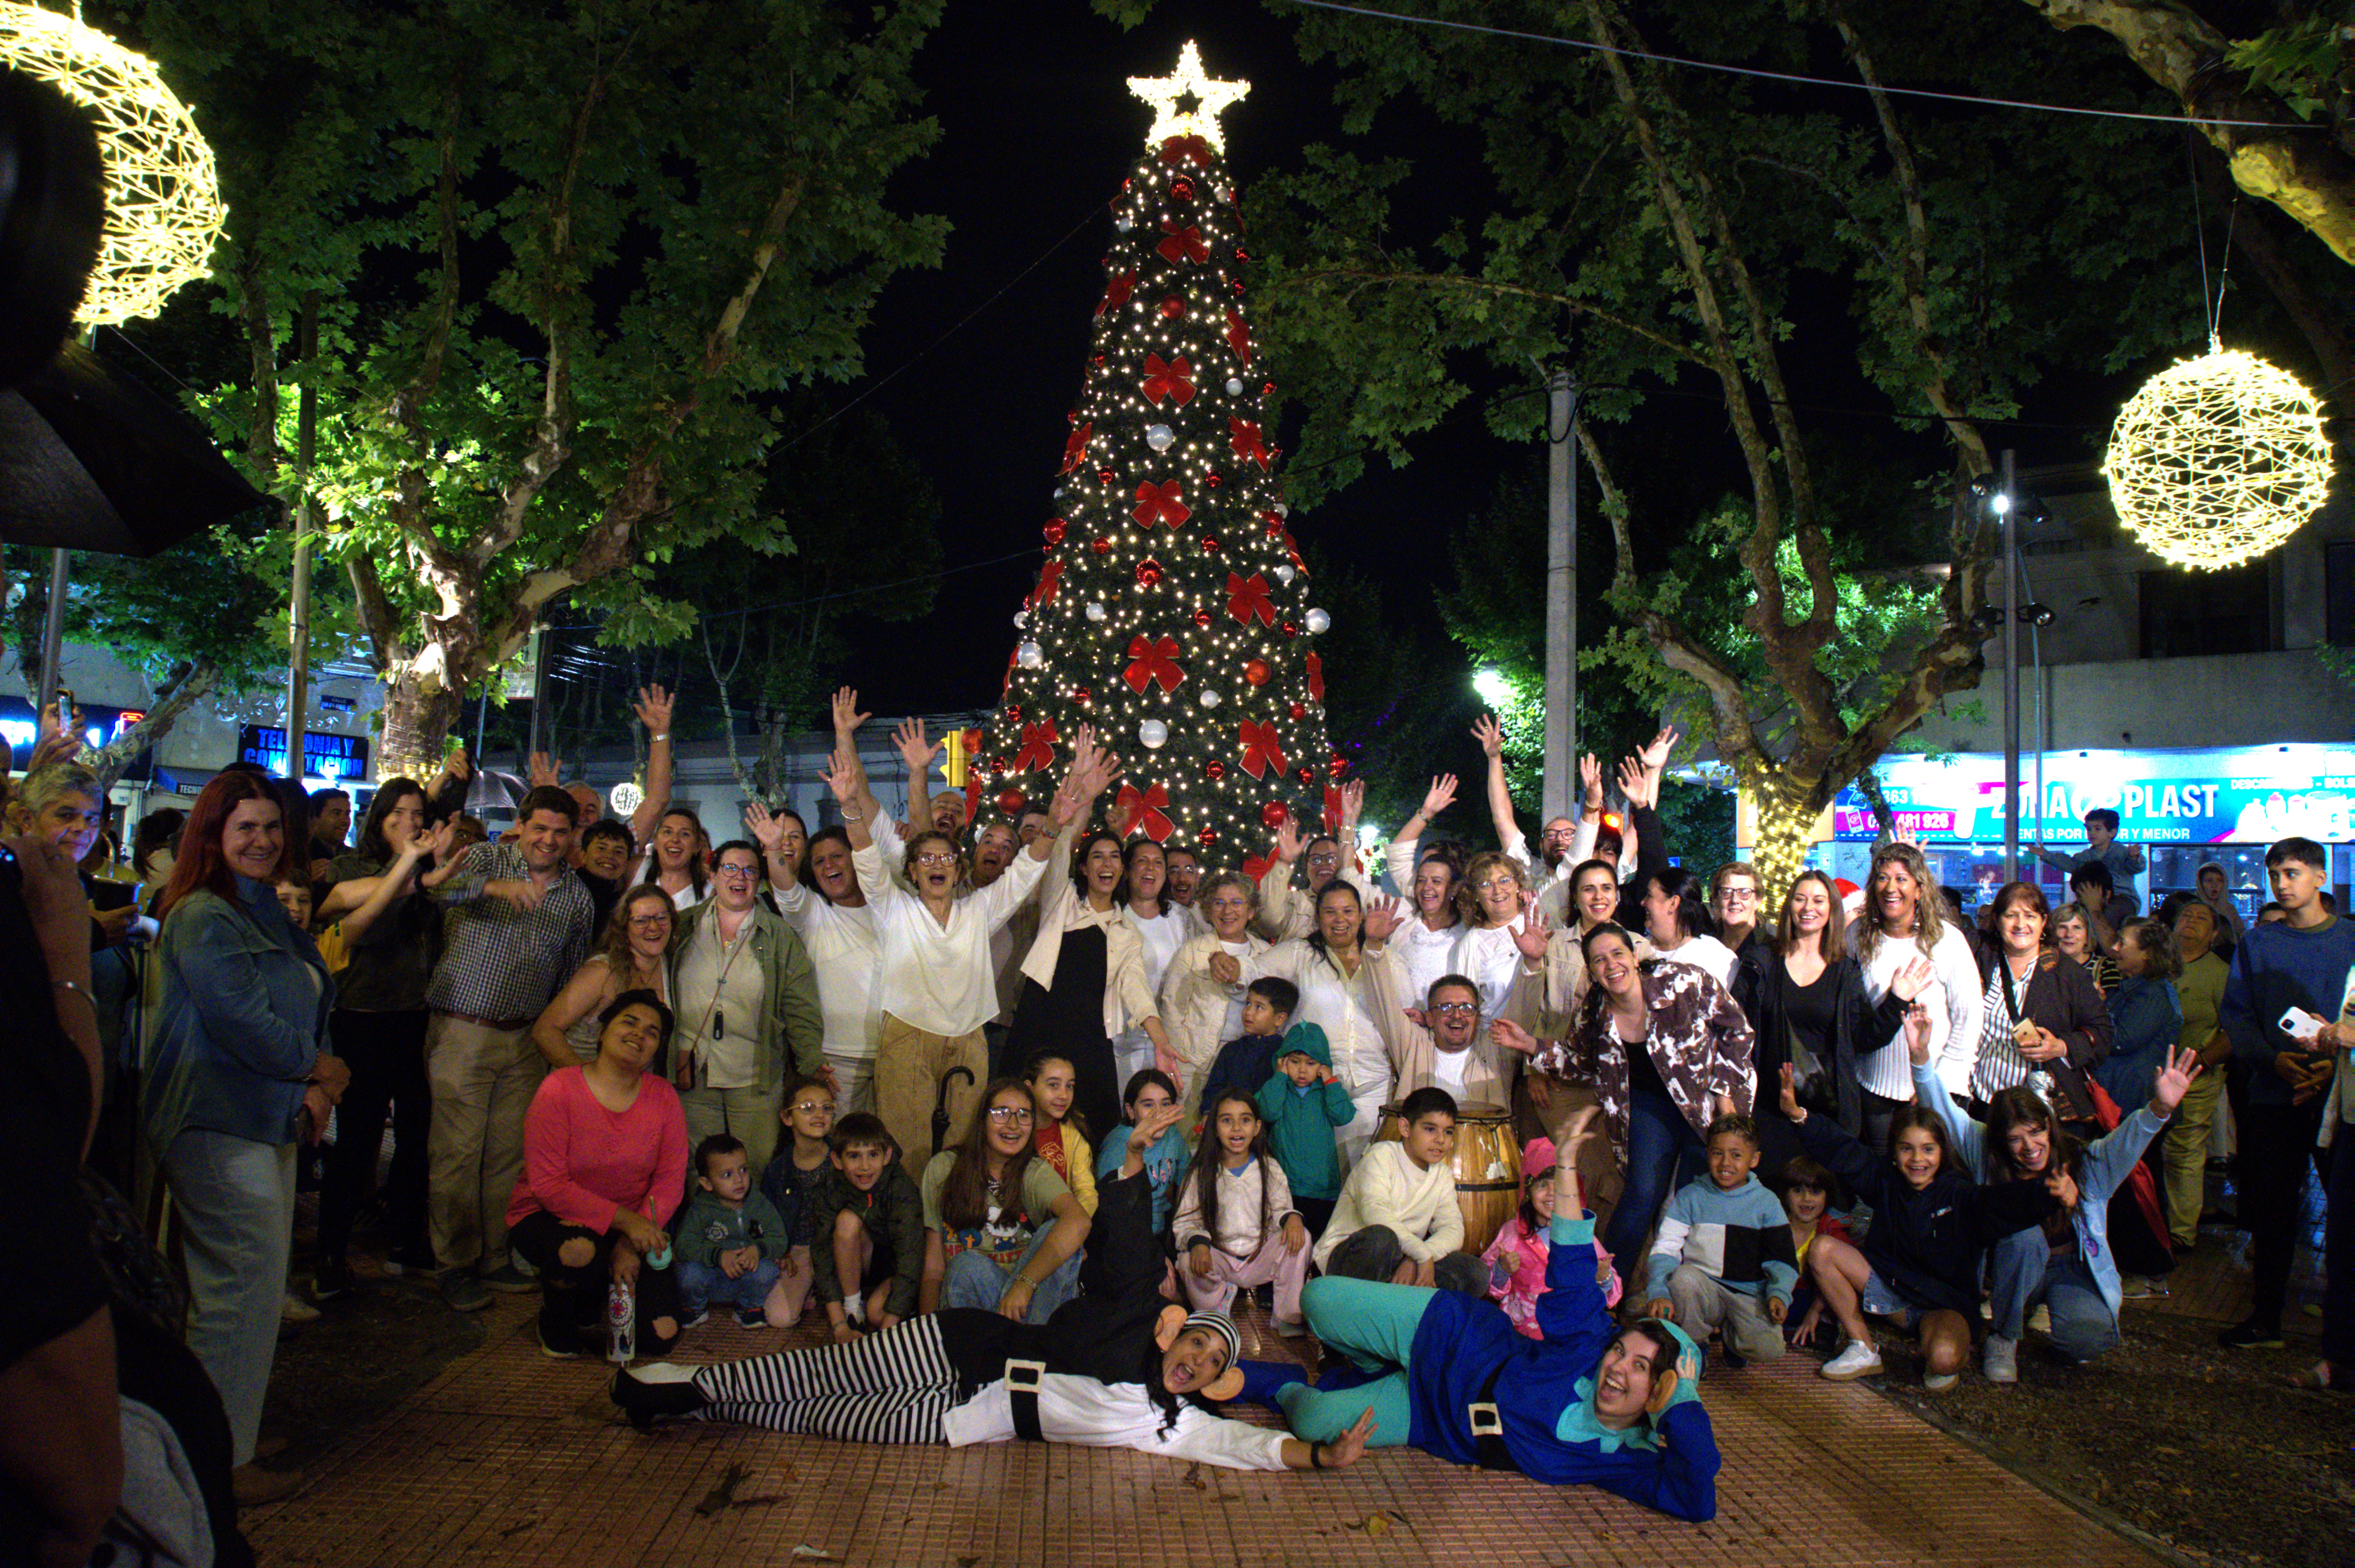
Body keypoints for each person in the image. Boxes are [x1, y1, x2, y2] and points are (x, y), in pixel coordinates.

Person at [613, 1165, 1379, 1475]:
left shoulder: (1163, 1419)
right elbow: (1118, 1267)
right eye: (1197, 1346)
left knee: (816, 1414)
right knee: (808, 1370)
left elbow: (1238, 1444)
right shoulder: (1124, 1329)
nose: (1198, 1365)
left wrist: (1315, 1456)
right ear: (1168, 1331)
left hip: (966, 1417)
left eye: (1211, 1367)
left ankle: (689, 1393)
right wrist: (1129, 1173)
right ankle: (684, 1378)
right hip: (960, 1342)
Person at [1273, 1158, 1719, 1520]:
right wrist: (1565, 1167)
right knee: (1317, 1299)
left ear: (1660, 1393)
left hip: (1435, 1419)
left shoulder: (1626, 1458)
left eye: (1641, 1368)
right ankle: (1374, 1361)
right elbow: (1571, 1270)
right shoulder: (1591, 1345)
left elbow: (1695, 1501)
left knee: (1312, 1422)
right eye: (1622, 1351)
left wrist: (1681, 1401)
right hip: (1454, 1339)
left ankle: (1294, 1379)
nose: (1617, 1367)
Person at [140, 772, 345, 1493]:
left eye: (270, 827)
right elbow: (239, 1020)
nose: (261, 841)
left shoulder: (262, 910)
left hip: (267, 1117)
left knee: (253, 1292)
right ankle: (213, 1467)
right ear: (213, 836)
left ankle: (231, 1434)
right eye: (244, 829)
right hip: (215, 1119)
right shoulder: (201, 914)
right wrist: (317, 1067)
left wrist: (313, 1084)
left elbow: (303, 999)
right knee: (236, 1292)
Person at [834, 734, 1101, 1166]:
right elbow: (866, 856)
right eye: (926, 861)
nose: (936, 865)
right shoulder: (894, 908)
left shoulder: (978, 911)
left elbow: (1028, 870)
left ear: (959, 870)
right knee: (905, 1147)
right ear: (913, 874)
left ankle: (956, 1230)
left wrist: (1054, 820)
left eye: (945, 860)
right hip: (907, 1034)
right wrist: (850, 806)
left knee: (964, 1149)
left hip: (969, 1038)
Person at [1907, 1008, 2199, 1381]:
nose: (2029, 1147)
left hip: (2067, 1267)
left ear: (2048, 1126)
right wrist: (1920, 1059)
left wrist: (2159, 1109)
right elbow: (1946, 1115)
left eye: (2035, 1133)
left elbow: (2125, 1143)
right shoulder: (1985, 1150)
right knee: (2023, 1236)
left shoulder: (2082, 1159)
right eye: (2015, 1139)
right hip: (2011, 1264)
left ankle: (2046, 1310)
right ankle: (2004, 1334)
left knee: (2085, 1341)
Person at [419, 783, 597, 1312]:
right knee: (456, 1155)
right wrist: (496, 889)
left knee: (507, 1158)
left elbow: (569, 976)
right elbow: (435, 892)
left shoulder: (577, 896)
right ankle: (453, 1264)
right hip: (462, 1029)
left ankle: (495, 1257)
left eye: (561, 832)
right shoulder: (482, 858)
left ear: (572, 837)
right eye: (540, 828)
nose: (549, 840)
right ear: (522, 824)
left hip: (523, 1037)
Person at [1780, 1062, 2066, 1390]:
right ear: (1894, 1152)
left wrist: (2047, 1194)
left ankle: (1937, 1340)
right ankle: (1863, 1346)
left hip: (1941, 1304)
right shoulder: (1885, 1180)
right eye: (1906, 1149)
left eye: (1927, 1149)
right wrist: (1799, 1115)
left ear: (1942, 1152)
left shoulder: (1960, 1193)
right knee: (1822, 1249)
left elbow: (2003, 1202)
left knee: (1942, 1360)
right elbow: (1844, 1150)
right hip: (1891, 1293)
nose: (1917, 1159)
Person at [1531, 922, 1757, 1289]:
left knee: (1693, 1199)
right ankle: (1605, 1291)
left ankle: (1687, 1294)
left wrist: (1723, 1092)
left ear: (1635, 957)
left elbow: (1737, 1030)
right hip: (1649, 1107)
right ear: (1591, 970)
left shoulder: (1683, 981)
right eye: (1599, 960)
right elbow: (1579, 1065)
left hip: (1705, 1104)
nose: (1611, 965)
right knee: (1640, 1194)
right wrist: (1530, 1046)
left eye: (1617, 954)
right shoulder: (1594, 1009)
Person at [2216, 836, 2355, 1351]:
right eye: (2275, 874)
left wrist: (2329, 1067)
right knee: (2272, 1210)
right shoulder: (2259, 943)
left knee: (2345, 1216)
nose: (2282, 884)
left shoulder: (2350, 942)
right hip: (2274, 1093)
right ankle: (2266, 1316)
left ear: (2321, 876)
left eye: (2293, 873)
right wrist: (2274, 1060)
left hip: (2337, 1098)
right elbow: (2237, 1015)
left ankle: (2341, 1333)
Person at [309, 780, 446, 1292]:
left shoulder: (429, 871)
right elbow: (353, 919)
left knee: (416, 1139)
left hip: (415, 1019)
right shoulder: (350, 869)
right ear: (380, 818)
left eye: (418, 813)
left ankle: (406, 1241)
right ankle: (331, 1252)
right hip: (360, 1018)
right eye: (400, 812)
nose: (410, 821)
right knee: (358, 1140)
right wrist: (407, 863)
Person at [505, 991, 687, 1360]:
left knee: (658, 1336)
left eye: (652, 1032)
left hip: (630, 1225)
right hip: (551, 1217)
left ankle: (595, 1292)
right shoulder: (559, 1088)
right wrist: (628, 1223)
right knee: (579, 1252)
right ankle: (558, 1315)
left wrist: (629, 1240)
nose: (640, 1034)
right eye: (629, 1022)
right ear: (603, 1031)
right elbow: (549, 1185)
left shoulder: (663, 1096)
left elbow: (669, 1180)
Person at [1733, 870, 1924, 1175]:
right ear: (1789, 907)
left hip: (1826, 1109)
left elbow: (1863, 1038)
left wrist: (1896, 1002)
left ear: (1831, 909)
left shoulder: (1845, 971)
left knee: (1822, 1202)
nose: (1809, 907)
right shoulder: (1762, 961)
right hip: (1768, 1105)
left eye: (1819, 900)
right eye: (1801, 899)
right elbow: (1735, 1026)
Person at [669, 838, 825, 1175]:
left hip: (754, 1075)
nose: (740, 877)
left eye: (751, 870)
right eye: (730, 868)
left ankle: (753, 1227)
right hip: (690, 1073)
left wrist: (811, 1064)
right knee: (698, 1171)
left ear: (760, 881)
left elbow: (800, 1006)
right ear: (712, 874)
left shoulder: (779, 936)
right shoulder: (682, 926)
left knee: (755, 1168)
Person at [1009, 827, 1174, 1144]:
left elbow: (1137, 990)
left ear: (1123, 870)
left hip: (1090, 1038)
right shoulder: (1062, 900)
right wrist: (1077, 805)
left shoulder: (1126, 932)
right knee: (1023, 1120)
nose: (1106, 864)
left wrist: (1161, 1041)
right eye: (1097, 856)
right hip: (1038, 1026)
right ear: (1083, 867)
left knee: (1097, 1128)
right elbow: (1060, 852)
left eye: (1115, 857)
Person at [1250, 881, 1408, 1163]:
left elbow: (1408, 1018)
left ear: (1360, 915)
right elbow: (1251, 972)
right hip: (1311, 1087)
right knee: (1314, 1174)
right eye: (1330, 912)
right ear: (1317, 917)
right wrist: (1225, 964)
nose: (1340, 920)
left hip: (1373, 1085)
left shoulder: (1388, 960)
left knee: (1367, 1174)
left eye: (1348, 911)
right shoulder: (1301, 954)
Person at [919, 1078, 1092, 1321]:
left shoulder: (1034, 1170)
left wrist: (1024, 1284)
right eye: (1001, 1113)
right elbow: (934, 1268)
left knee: (1059, 1231)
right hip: (977, 1298)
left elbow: (1079, 1221)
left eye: (1024, 1115)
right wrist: (926, 1332)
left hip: (1033, 1301)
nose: (1013, 1125)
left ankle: (1031, 1350)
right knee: (966, 1266)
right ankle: (1024, 1352)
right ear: (983, 1120)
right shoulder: (944, 1169)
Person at [1850, 841, 1983, 1149]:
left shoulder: (1947, 940)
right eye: (1882, 878)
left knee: (1935, 1182)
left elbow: (1969, 1019)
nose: (1890, 888)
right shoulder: (1856, 935)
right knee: (1885, 1181)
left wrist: (1939, 1084)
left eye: (1902, 879)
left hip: (1936, 1088)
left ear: (1920, 890)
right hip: (1874, 1091)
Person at [1639, 1114, 1797, 1367]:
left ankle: (1733, 1337)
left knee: (1770, 1350)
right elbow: (1666, 1248)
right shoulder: (1691, 1196)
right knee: (1683, 1280)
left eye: (1736, 1155)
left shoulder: (1767, 1202)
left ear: (1754, 1160)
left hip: (1749, 1293)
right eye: (1717, 1154)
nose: (1726, 1163)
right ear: (1708, 1154)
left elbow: (1783, 1257)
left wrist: (1779, 1293)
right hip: (1703, 1289)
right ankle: (1694, 1344)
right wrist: (1658, 1289)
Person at [754, 809, 882, 1115]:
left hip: (891, 1054)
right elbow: (786, 887)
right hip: (836, 1060)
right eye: (819, 861)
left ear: (855, 860)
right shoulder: (812, 912)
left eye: (838, 856)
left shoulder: (889, 906)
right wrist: (774, 849)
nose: (829, 866)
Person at [1964, 881, 2114, 1120]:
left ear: (2044, 922)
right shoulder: (1980, 956)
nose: (2021, 925)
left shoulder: (2068, 974)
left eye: (2030, 916)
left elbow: (2103, 1033)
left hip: (2042, 1108)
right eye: (2011, 915)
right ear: (1997, 919)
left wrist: (2061, 1046)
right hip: (1983, 1102)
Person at [1312, 1087, 1484, 1292]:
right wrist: (1420, 1254)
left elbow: (1454, 1230)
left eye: (1448, 1132)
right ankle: (1353, 1313)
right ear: (1405, 1128)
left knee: (1476, 1272)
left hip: (1404, 1258)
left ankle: (1400, 1313)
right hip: (1350, 1258)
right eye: (1430, 1129)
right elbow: (1375, 1214)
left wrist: (1416, 1259)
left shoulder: (1443, 1175)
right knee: (1382, 1240)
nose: (1441, 1139)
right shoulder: (1382, 1156)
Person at [1177, 1088, 1309, 1332]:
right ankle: (1215, 1307)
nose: (1237, 1129)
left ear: (1257, 1127)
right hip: (1219, 1257)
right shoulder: (1201, 1172)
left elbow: (1281, 1208)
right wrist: (1198, 1242)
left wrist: (1291, 1218)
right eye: (1227, 1121)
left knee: (1302, 1237)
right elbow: (1185, 1223)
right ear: (1215, 1129)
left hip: (1258, 1256)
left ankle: (1287, 1316)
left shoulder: (1269, 1167)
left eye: (1245, 1121)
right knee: (1187, 1260)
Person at [1480, 1135, 1619, 1339]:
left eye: (1561, 1186)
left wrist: (1603, 1278)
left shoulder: (1580, 1235)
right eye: (1542, 1185)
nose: (1552, 1194)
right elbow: (1487, 1283)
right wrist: (1502, 1270)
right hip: (1523, 1329)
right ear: (1528, 1191)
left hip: (1571, 1326)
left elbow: (1610, 1292)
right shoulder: (1512, 1233)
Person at [1161, 872, 1273, 1114]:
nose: (1227, 911)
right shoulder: (1192, 952)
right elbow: (1172, 1007)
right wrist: (1180, 1061)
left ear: (1252, 911)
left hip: (1247, 1064)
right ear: (1209, 910)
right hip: (1196, 1062)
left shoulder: (1266, 955)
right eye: (1219, 903)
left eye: (1237, 903)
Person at [534, 884, 676, 1067]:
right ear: (624, 928)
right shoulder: (602, 972)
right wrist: (587, 1082)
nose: (654, 927)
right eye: (641, 921)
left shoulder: (669, 963)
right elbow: (545, 1030)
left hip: (633, 1088)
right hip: (582, 1082)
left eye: (662, 918)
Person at [813, 1112, 925, 1343]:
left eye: (873, 1155)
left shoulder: (902, 1191)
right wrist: (839, 1327)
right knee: (847, 1221)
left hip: (896, 1267)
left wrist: (885, 1337)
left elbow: (911, 1260)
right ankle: (854, 1311)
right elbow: (822, 1252)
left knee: (878, 1313)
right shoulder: (831, 1185)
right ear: (837, 1160)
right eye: (854, 1157)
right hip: (862, 1263)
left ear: (887, 1156)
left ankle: (892, 1310)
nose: (865, 1167)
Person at [2163, 900, 2233, 1252]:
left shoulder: (2219, 973)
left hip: (2195, 1077)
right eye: (2185, 915)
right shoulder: (2157, 963)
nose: (2191, 921)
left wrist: (2202, 1061)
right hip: (2150, 1072)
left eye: (2201, 918)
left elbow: (2233, 1030)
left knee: (2184, 1151)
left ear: (2214, 933)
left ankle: (2180, 1232)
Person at [676, 1134, 796, 1329]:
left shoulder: (760, 1205)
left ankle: (748, 1308)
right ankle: (695, 1308)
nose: (739, 1180)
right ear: (706, 1183)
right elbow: (683, 1246)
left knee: (768, 1271)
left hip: (746, 1278)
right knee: (689, 1273)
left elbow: (779, 1239)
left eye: (744, 1170)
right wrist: (718, 1256)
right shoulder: (701, 1209)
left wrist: (758, 1251)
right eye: (727, 1175)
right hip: (712, 1277)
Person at [1254, 1023, 1354, 1240]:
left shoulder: (1326, 1091)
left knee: (1317, 1241)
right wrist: (1279, 1077)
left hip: (1321, 1188)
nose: (1302, 1070)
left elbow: (1344, 1116)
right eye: (1294, 1062)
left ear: (1322, 1065)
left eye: (1311, 1063)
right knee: (1284, 1243)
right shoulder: (1279, 1087)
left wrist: (1330, 1081)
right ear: (1282, 1062)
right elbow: (1267, 1113)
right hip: (1283, 1186)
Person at [755, 1078, 837, 1329]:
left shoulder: (842, 1157)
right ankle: (812, 1287)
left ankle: (834, 1291)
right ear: (787, 1118)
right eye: (808, 1108)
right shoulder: (778, 1169)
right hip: (801, 1250)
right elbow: (765, 1220)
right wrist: (781, 1252)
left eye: (827, 1107)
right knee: (779, 1317)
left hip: (839, 1245)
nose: (819, 1115)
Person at [1382, 774, 1467, 1002]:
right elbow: (1398, 857)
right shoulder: (1406, 918)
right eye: (1421, 877)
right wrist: (1425, 813)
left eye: (1438, 880)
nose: (1427, 886)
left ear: (1455, 886)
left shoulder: (1471, 928)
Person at [1252, 783, 1372, 944]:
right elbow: (1269, 923)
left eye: (1331, 858)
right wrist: (1285, 860)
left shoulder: (1356, 901)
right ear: (1307, 868)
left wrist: (1350, 820)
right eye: (1316, 859)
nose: (1324, 864)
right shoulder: (1294, 902)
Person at [1113, 839, 1190, 1087]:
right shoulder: (1113, 915)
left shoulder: (1180, 918)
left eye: (1158, 863)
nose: (1151, 869)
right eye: (1142, 862)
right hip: (1116, 1042)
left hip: (1166, 1041)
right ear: (1127, 870)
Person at [1390, 972, 1517, 1108]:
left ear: (1478, 1019)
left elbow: (1522, 1012)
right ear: (1430, 1018)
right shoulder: (1414, 1045)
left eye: (1467, 1008)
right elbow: (1384, 1000)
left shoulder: (1496, 1048)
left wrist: (1532, 965)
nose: (1457, 1015)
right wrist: (1375, 954)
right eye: (1446, 1008)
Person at [2097, 917, 2183, 1115]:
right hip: (2123, 1102)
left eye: (2123, 943)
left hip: (2137, 1107)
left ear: (2148, 953)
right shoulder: (2130, 989)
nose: (2115, 948)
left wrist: (2094, 1010)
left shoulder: (2154, 994)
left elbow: (2120, 1040)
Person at [1094, 1069, 1188, 1241]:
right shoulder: (1115, 1149)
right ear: (1131, 1111)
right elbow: (1113, 1216)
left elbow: (1189, 1188)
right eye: (1148, 1105)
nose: (1158, 1113)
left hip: (1165, 1229)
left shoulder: (1174, 1137)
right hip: (1127, 1237)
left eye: (1166, 1104)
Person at [1447, 849, 1535, 1022]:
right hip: (1496, 1037)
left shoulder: (1534, 918)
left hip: (1540, 1035)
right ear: (1475, 895)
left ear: (1517, 885)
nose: (1498, 891)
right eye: (1486, 885)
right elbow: (1465, 1002)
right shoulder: (1471, 943)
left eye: (1505, 881)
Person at [1196, 976, 1296, 1118]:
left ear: (1279, 1019)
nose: (1249, 1012)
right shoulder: (1231, 1050)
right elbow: (1214, 1088)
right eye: (1248, 1004)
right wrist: (1208, 1113)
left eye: (1259, 1007)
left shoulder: (1286, 1055)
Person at [1023, 1052, 1100, 1216]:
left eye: (1069, 1086)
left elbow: (1086, 1191)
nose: (1064, 1095)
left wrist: (1072, 1226)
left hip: (1063, 1222)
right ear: (1029, 1087)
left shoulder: (1074, 1128)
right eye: (1054, 1085)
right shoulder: (1013, 1128)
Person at [1639, 867, 1739, 990]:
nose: (1643, 903)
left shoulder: (1715, 957)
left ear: (1673, 903)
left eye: (1650, 896)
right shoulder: (1636, 948)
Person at [2034, 807, 2145, 893]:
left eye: (2098, 829)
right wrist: (2047, 855)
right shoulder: (2087, 856)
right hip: (2096, 898)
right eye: (2089, 829)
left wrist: (2133, 858)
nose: (2092, 833)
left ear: (2112, 832)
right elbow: (2071, 864)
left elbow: (2136, 868)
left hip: (2123, 896)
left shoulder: (2122, 852)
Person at [2052, 900, 2121, 994]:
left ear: (2087, 935)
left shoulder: (2106, 967)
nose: (2069, 935)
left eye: (2077, 928)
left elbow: (2112, 1006)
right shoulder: (2044, 966)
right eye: (2062, 927)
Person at [1708, 864, 1766, 966]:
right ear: (1716, 900)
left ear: (1758, 901)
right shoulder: (1704, 944)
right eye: (1727, 892)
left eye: (1744, 893)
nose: (1735, 900)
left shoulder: (1773, 944)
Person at [2194, 860, 2246, 954]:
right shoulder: (2192, 907)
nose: (2215, 885)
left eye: (2220, 881)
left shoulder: (2230, 910)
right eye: (2209, 881)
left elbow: (2242, 936)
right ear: (2201, 884)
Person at [304, 787, 351, 881]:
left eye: (347, 814)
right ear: (315, 817)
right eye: (336, 813)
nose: (345, 821)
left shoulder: (355, 856)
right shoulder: (302, 856)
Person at [1162, 844, 1203, 914]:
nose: (1182, 879)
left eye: (1189, 871)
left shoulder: (1209, 919)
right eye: (1174, 871)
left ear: (1197, 878)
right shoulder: (1151, 917)